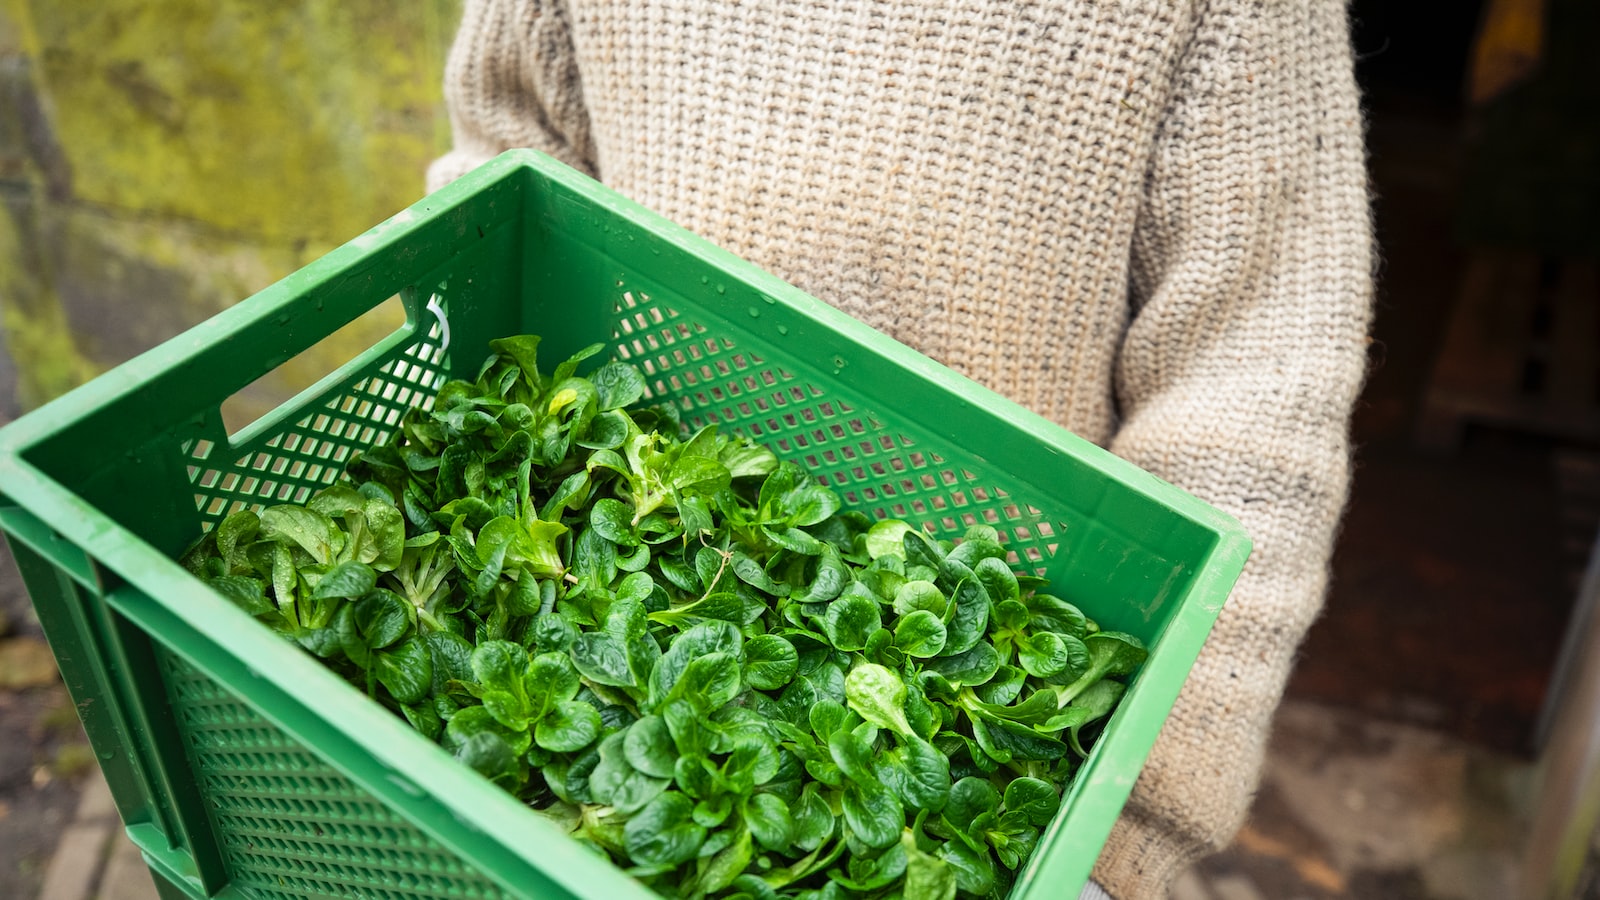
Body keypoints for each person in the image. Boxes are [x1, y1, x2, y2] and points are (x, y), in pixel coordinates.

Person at [426, 1, 1374, 896]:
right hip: (649, 498)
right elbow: (512, 159)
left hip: (1005, 591)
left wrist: (1124, 832)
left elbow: (1257, 385)